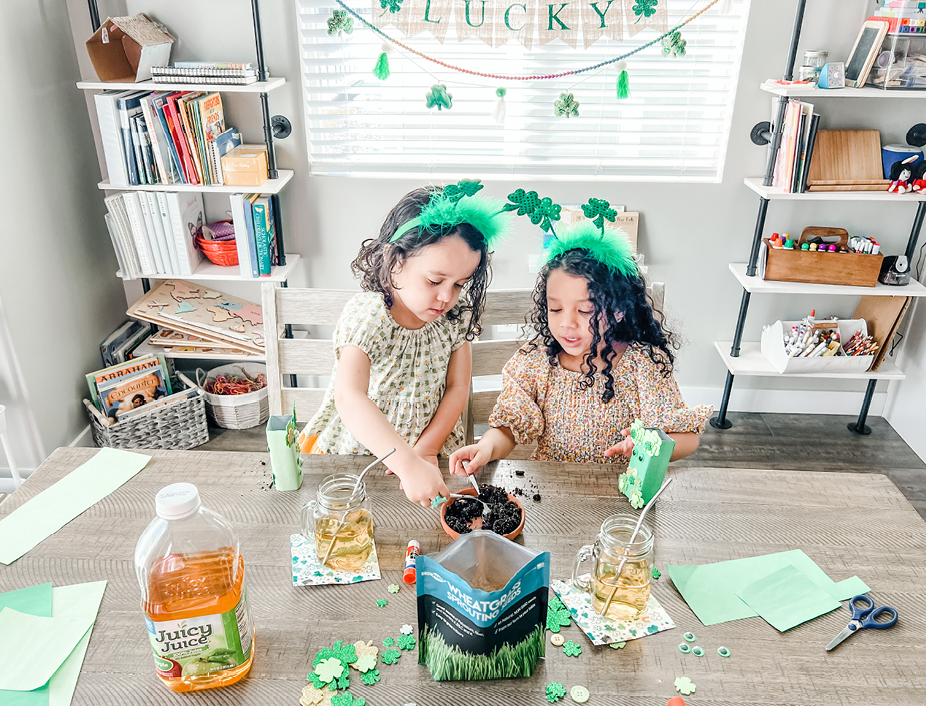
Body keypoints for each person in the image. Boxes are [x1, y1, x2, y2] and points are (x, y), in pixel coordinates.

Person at [299, 181, 511, 506]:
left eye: (459, 284)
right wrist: (406, 463)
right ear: (395, 260)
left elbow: (458, 386)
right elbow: (349, 396)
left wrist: (424, 450)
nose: (446, 297)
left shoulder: (454, 315)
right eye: (435, 280)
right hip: (362, 458)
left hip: (431, 454)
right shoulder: (371, 316)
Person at [449, 217, 711, 476]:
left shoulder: (644, 365)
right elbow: (508, 428)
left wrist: (650, 445)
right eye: (556, 308)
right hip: (553, 493)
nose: (566, 324)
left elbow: (688, 438)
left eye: (585, 310)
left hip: (618, 496)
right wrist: (486, 447)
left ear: (618, 310)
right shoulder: (536, 362)